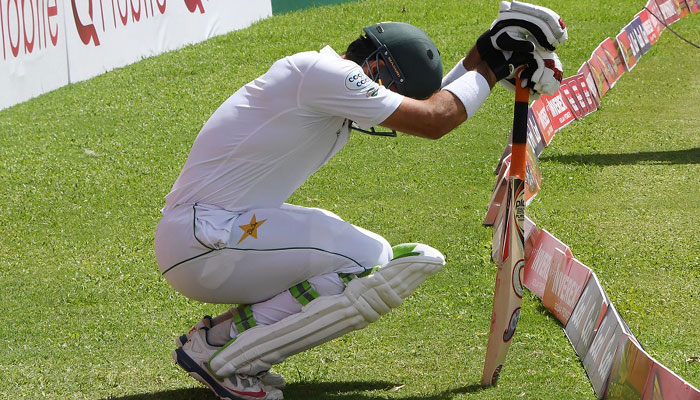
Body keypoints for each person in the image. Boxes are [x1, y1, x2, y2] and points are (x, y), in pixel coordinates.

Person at [154, 3, 567, 399]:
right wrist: (497, 67)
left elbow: (430, 101)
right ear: (376, 65)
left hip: (209, 233)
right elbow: (434, 119)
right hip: (204, 236)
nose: (385, 93)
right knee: (365, 263)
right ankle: (230, 363)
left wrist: (486, 49)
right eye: (388, 84)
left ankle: (214, 343)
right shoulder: (324, 74)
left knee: (369, 256)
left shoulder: (330, 84)